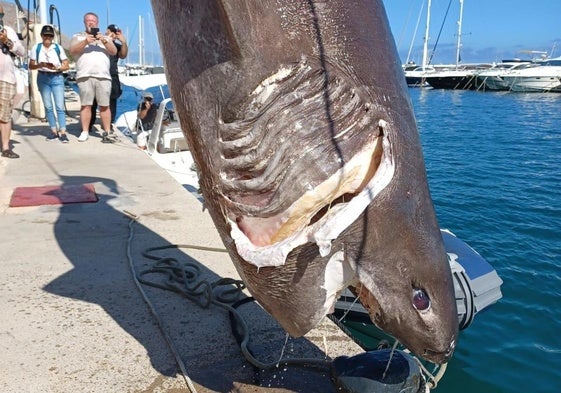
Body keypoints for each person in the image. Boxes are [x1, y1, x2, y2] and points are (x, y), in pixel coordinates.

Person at [69, 12, 117, 143]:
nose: (91, 23)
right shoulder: (78, 36)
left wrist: (104, 41)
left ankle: (107, 131)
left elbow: (113, 51)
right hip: (85, 75)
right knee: (86, 105)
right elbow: (72, 50)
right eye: (88, 21)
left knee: (104, 106)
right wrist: (86, 41)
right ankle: (85, 131)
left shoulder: (105, 37)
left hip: (103, 76)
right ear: (84, 22)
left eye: (93, 21)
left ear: (97, 23)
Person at [29, 25, 70, 143]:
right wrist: (40, 65)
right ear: (41, 36)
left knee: (60, 106)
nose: (48, 38)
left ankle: (63, 132)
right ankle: (53, 131)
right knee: (48, 106)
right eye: (45, 35)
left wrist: (57, 68)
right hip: (42, 77)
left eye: (50, 35)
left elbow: (66, 65)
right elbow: (31, 66)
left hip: (57, 77)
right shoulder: (36, 48)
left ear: (53, 37)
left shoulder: (58, 48)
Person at [89, 23, 128, 132]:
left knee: (112, 101)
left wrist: (123, 42)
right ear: (107, 31)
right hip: (98, 74)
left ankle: (109, 123)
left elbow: (123, 55)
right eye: (112, 32)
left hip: (112, 76)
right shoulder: (99, 42)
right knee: (93, 101)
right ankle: (89, 123)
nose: (114, 35)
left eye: (116, 33)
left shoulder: (116, 45)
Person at [0, 5, 26, 158]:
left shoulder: (8, 31)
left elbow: (21, 51)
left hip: (5, 78)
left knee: (5, 115)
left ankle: (5, 147)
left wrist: (7, 41)